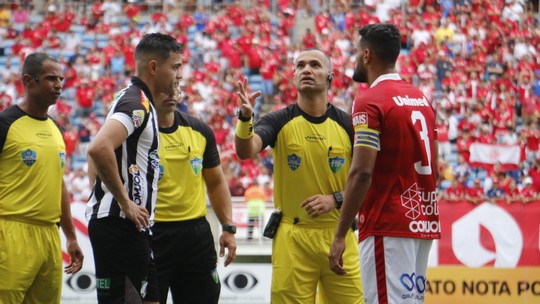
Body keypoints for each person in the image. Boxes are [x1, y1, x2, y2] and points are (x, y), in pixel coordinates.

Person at [235, 48, 363, 303]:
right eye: (300, 65)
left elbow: (370, 178)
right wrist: (245, 117)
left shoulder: (350, 125)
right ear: (293, 77)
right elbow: (245, 150)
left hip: (339, 235)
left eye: (315, 65)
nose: (306, 69)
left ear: (330, 77)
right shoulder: (278, 120)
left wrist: (335, 199)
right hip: (292, 237)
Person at [329, 24, 441, 304]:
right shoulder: (421, 100)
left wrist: (341, 233)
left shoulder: (369, 101)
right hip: (421, 222)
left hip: (386, 224)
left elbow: (362, 172)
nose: (354, 59)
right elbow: (435, 167)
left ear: (367, 55)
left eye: (356, 53)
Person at [86, 33, 183, 304]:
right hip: (120, 226)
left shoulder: (139, 101)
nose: (178, 75)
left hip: (135, 227)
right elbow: (98, 148)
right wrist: (123, 201)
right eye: (175, 67)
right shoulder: (136, 104)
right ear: (154, 67)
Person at [0, 52, 83, 303]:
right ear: (28, 81)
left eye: (60, 78)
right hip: (11, 232)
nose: (58, 85)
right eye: (50, 78)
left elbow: (59, 185)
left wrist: (70, 236)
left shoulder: (55, 130)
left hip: (49, 235)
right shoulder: (6, 124)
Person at [152, 86, 237, 303]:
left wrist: (228, 227)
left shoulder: (200, 130)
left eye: (175, 87)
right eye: (164, 88)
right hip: (151, 234)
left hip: (195, 235)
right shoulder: (133, 132)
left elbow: (217, 182)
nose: (170, 93)